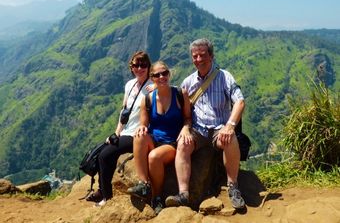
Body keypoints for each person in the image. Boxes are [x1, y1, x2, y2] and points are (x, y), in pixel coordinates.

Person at [165, 38, 246, 209]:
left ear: (211, 56)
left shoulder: (225, 77)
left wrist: (230, 126)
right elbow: (183, 112)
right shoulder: (188, 83)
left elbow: (239, 102)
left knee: (230, 139)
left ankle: (233, 187)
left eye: (202, 55)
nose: (198, 60)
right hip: (198, 130)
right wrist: (186, 129)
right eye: (195, 56)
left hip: (219, 128)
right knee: (182, 145)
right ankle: (183, 194)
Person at [86, 51, 153, 207]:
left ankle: (105, 195)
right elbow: (124, 112)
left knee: (105, 155)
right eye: (136, 65)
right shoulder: (129, 85)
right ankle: (102, 190)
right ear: (131, 67)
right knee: (98, 153)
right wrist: (116, 133)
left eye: (143, 65)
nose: (140, 68)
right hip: (125, 131)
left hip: (139, 134)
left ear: (149, 67)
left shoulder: (152, 86)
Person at [127, 61, 192, 214]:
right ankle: (144, 184)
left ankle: (157, 196)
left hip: (172, 143)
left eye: (164, 73)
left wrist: (186, 128)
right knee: (139, 136)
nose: (162, 77)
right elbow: (144, 124)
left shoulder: (180, 94)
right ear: (152, 78)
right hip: (154, 140)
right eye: (157, 75)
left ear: (169, 74)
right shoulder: (148, 99)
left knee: (154, 157)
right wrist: (142, 127)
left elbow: (188, 118)